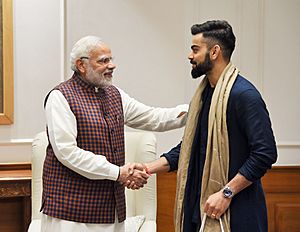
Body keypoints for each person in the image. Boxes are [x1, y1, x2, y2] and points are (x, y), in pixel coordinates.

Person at [40, 35, 188, 232]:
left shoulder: (114, 94)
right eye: (103, 61)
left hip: (111, 210)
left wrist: (196, 109)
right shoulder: (60, 97)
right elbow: (67, 152)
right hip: (70, 214)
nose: (112, 65)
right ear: (81, 65)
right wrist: (118, 173)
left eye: (111, 59)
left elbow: (153, 117)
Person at [145, 20, 277, 232]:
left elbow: (265, 153)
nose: (190, 56)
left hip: (237, 215)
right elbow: (192, 148)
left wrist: (227, 193)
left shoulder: (244, 96)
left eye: (195, 49)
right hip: (199, 210)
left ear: (214, 52)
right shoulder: (205, 94)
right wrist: (146, 169)